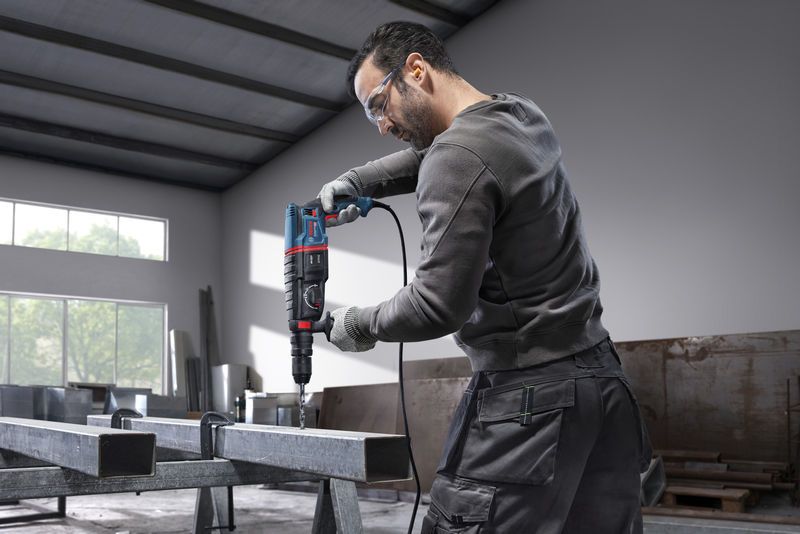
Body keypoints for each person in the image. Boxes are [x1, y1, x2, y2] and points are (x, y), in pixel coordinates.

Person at [318, 21, 652, 533]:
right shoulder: (519, 114)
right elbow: (448, 154)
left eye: (378, 104)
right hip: (603, 385)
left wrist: (358, 323)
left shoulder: (454, 159)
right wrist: (360, 182)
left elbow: (436, 304)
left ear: (416, 69)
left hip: (529, 400)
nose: (381, 124)